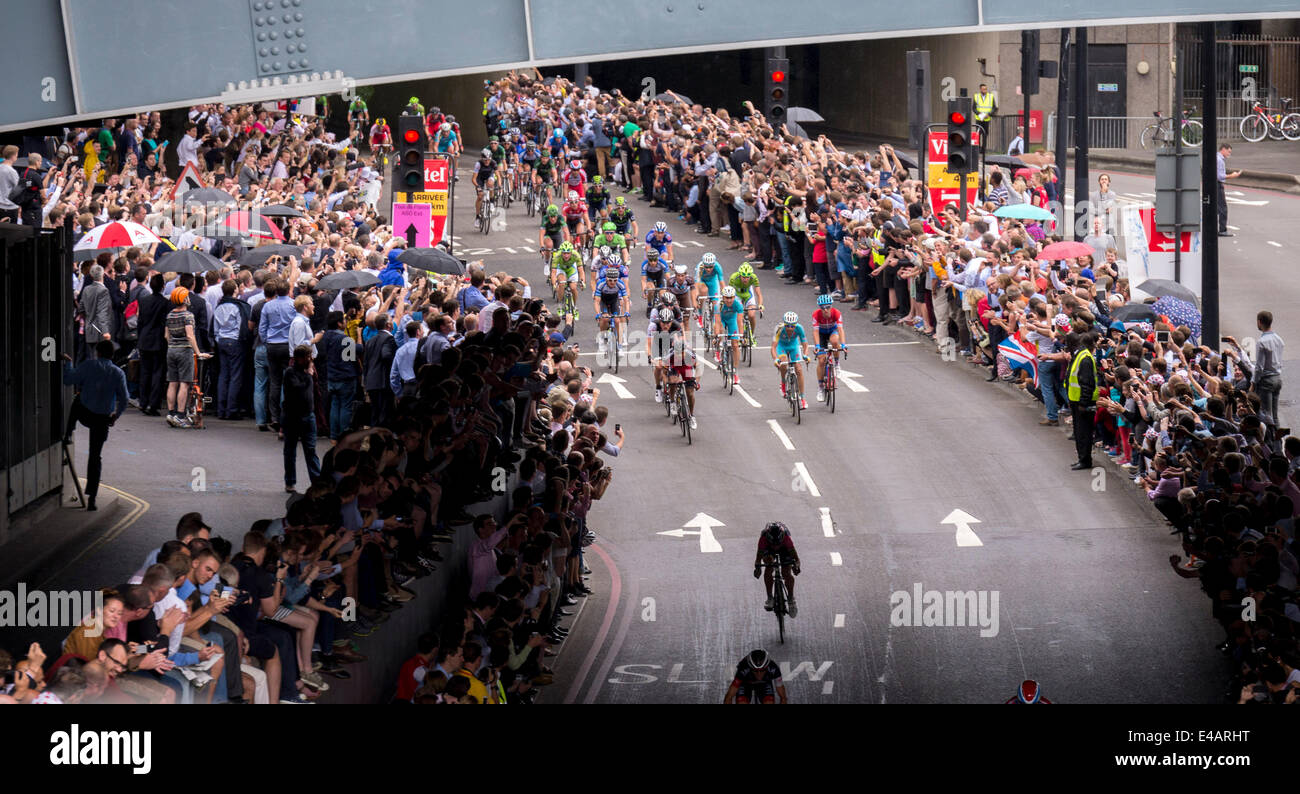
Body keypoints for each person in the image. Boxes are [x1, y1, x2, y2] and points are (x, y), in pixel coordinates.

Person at [61, 342, 128, 511]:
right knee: (95, 457)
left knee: (76, 400)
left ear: (97, 353)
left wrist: (68, 363)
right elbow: (124, 398)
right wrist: (115, 415)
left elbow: (68, 380)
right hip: (102, 418)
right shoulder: (117, 373)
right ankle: (92, 499)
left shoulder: (88, 365)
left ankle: (68, 432)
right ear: (112, 355)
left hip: (85, 413)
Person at [163, 287, 206, 428]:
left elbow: (166, 336)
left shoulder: (169, 315)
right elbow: (190, 335)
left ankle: (170, 412)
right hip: (184, 351)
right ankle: (180, 415)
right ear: (184, 299)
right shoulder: (188, 316)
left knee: (172, 382)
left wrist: (172, 344)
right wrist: (198, 352)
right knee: (184, 383)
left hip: (171, 350)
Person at [282, 345, 321, 493]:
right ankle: (290, 481)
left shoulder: (309, 371)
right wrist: (308, 375)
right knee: (290, 451)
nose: (310, 359)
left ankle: (316, 481)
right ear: (299, 359)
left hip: (308, 415)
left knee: (311, 450)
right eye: (307, 357)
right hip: (292, 417)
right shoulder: (290, 373)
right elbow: (298, 388)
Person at [753, 521, 801, 617]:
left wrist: (796, 566)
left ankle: (791, 599)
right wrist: (758, 568)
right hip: (768, 549)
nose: (776, 546)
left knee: (786, 572)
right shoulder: (763, 538)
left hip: (785, 549)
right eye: (773, 544)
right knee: (768, 565)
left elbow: (796, 558)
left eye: (777, 544)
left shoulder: (786, 538)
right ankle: (770, 598)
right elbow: (758, 557)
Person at [1067, 331, 1099, 471]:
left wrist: (1083, 403)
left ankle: (1085, 460)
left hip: (1082, 402)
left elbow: (1087, 383)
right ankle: (1081, 458)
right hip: (1076, 400)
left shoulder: (1084, 358)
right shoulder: (1080, 355)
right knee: (1079, 432)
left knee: (1084, 433)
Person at [771, 311, 809, 411]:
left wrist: (805, 355)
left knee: (799, 369)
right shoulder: (779, 329)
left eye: (792, 326)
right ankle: (783, 383)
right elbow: (773, 347)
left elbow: (805, 344)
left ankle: (802, 398)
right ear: (784, 324)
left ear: (795, 324)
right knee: (783, 362)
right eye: (787, 326)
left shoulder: (799, 328)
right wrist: (776, 359)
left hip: (794, 346)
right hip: (781, 346)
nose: (790, 328)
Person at [1253, 310, 1284, 428]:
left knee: (1266, 414)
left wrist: (1253, 382)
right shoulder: (1279, 340)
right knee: (1275, 415)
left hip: (1266, 380)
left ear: (1259, 322)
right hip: (1277, 378)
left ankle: (1269, 440)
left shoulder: (1261, 342)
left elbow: (1259, 367)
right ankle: (1278, 441)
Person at [723, 649, 788, 704]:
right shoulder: (743, 668)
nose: (759, 674)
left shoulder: (773, 668)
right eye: (755, 671)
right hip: (745, 684)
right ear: (750, 668)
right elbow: (729, 696)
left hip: (764, 684)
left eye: (762, 670)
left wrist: (783, 700)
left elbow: (783, 697)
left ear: (767, 667)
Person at [1216, 143, 1242, 236]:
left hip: (1213, 185)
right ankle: (1222, 230)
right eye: (1228, 152)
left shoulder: (1216, 158)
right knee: (1223, 208)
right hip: (1217, 185)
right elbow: (1219, 176)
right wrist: (1232, 175)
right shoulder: (1219, 160)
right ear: (1223, 149)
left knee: (1216, 208)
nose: (1229, 154)